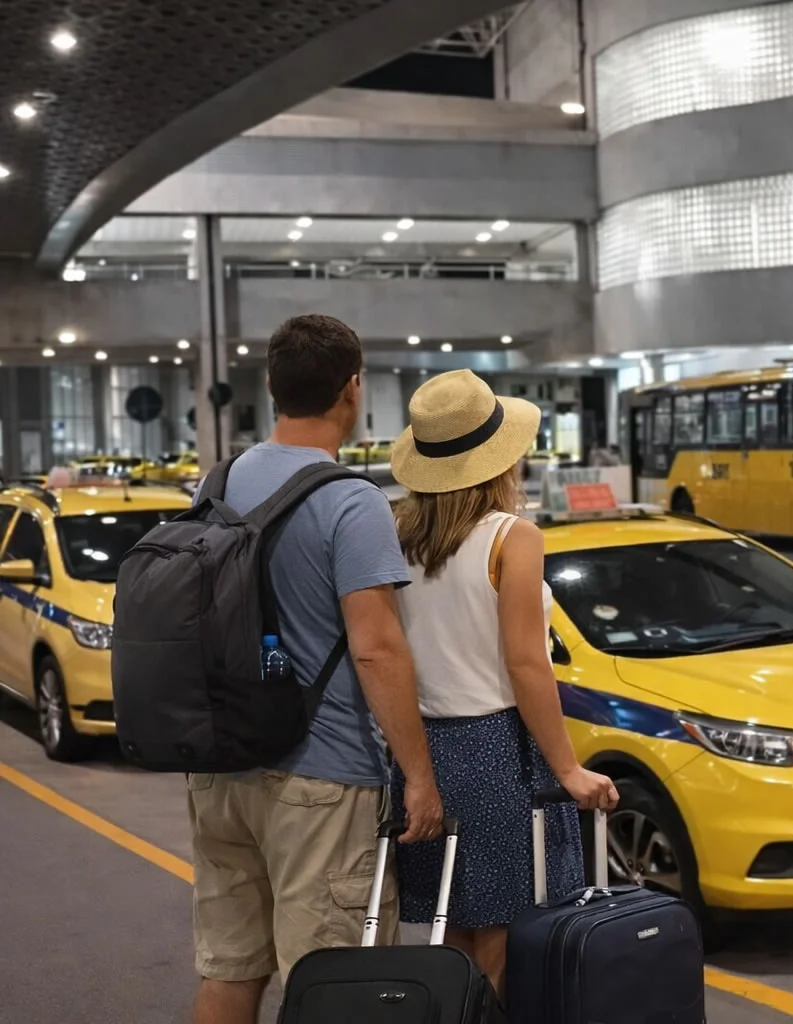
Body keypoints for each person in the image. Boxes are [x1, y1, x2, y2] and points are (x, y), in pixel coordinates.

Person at [187, 314, 444, 1024]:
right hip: (323, 779)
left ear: (271, 389)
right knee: (336, 987)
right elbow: (376, 647)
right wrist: (419, 778)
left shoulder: (217, 483)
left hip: (218, 769)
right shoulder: (349, 500)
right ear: (352, 389)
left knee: (229, 970)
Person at [389, 369, 619, 994]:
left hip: (423, 750)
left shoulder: (395, 534)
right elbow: (526, 664)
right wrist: (570, 770)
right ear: (500, 460)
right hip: (499, 752)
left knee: (454, 931)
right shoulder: (513, 539)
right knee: (507, 944)